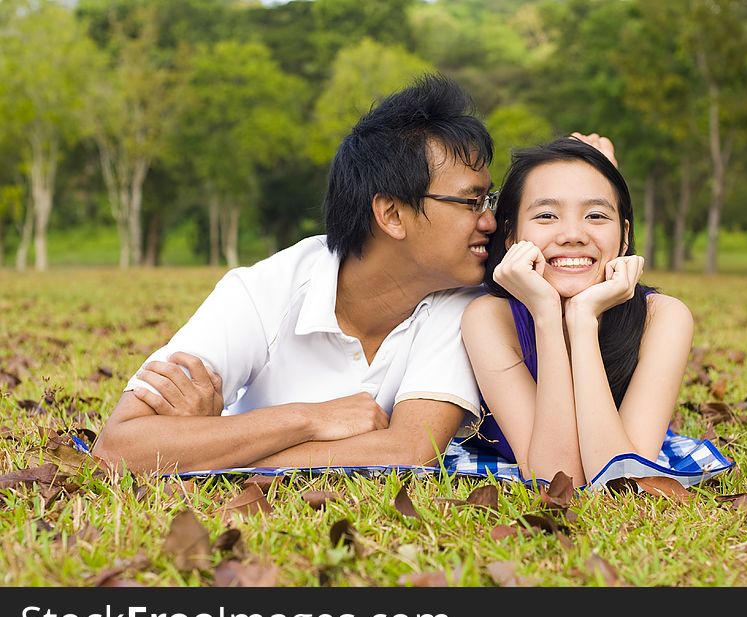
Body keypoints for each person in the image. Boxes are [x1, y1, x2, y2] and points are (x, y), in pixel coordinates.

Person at [92, 73, 616, 475]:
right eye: (471, 201)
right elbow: (118, 447)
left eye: (490, 198)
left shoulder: (462, 303)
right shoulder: (262, 292)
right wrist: (309, 418)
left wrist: (207, 444)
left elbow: (409, 450)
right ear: (391, 214)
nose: (490, 220)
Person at [460, 137, 694, 489]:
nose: (572, 234)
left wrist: (583, 321)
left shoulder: (661, 318)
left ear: (625, 235)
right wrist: (546, 314)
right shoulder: (491, 319)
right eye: (546, 215)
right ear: (510, 236)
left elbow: (623, 479)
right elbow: (557, 476)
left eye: (596, 215)